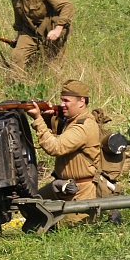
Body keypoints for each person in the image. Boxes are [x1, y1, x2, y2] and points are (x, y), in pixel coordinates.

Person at [26, 80, 101, 224]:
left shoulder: (83, 126)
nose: (62, 104)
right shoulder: (72, 120)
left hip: (80, 190)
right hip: (63, 185)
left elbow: (55, 147)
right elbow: (59, 127)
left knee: (66, 228)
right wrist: (46, 116)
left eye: (66, 100)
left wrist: (38, 119)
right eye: (61, 100)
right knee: (31, 206)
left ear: (81, 102)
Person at [6, 0, 75, 71]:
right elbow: (18, 13)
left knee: (52, 66)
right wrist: (19, 35)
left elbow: (67, 5)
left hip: (50, 28)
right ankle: (17, 86)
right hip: (29, 30)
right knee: (16, 56)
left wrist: (58, 29)